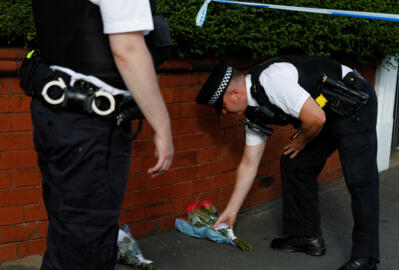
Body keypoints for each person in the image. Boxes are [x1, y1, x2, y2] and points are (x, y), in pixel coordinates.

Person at [195, 55, 379, 270]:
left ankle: (366, 257)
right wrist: (232, 210)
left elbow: (315, 118)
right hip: (324, 110)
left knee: (360, 178)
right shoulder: (255, 112)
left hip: (353, 100)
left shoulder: (272, 81)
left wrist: (300, 141)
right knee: (295, 163)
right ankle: (305, 236)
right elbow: (248, 164)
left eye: (221, 106)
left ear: (235, 94)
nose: (223, 112)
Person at [27, 0, 174, 269]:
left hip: (54, 112)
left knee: (68, 239)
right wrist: (162, 126)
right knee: (84, 249)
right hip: (89, 123)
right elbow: (127, 49)